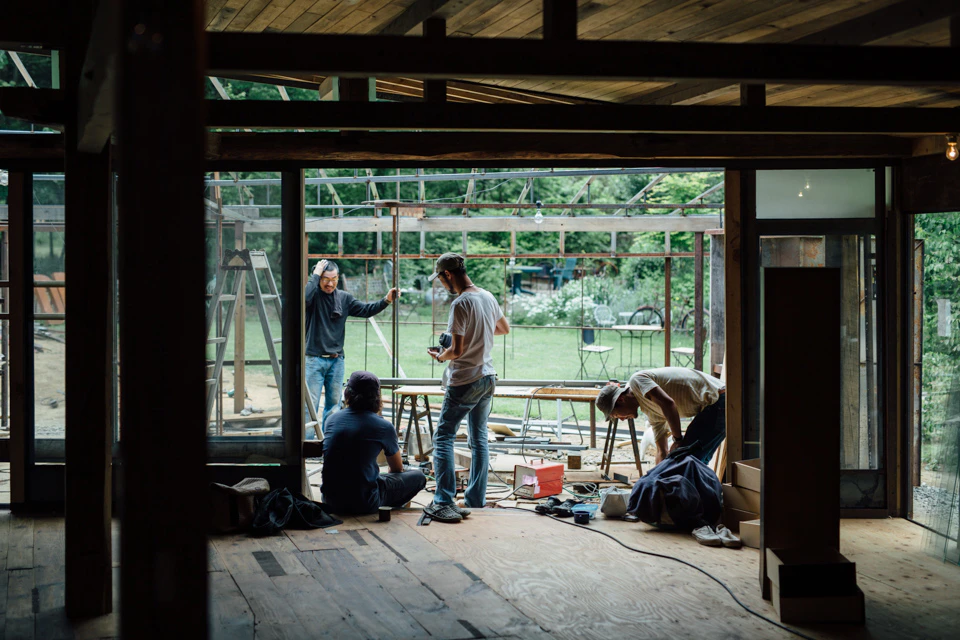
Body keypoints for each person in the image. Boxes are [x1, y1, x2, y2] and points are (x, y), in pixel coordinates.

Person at [422, 253, 510, 523]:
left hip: (466, 379)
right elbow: (503, 328)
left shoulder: (461, 303)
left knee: (443, 437)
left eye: (440, 279)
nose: (441, 284)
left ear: (448, 274)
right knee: (479, 438)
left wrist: (440, 355)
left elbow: (457, 351)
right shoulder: (487, 296)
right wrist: (476, 333)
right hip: (487, 376)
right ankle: (475, 500)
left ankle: (444, 500)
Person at [304, 259, 398, 435]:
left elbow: (366, 310)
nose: (330, 283)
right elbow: (302, 299)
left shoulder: (343, 298)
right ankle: (308, 445)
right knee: (309, 407)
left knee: (334, 406)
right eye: (325, 279)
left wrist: (386, 300)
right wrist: (315, 274)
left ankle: (328, 441)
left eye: (334, 278)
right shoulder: (313, 296)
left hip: (336, 361)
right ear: (318, 278)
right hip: (313, 360)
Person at [320, 371, 426, 514]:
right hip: (364, 503)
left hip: (330, 501)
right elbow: (396, 469)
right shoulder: (383, 426)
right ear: (377, 397)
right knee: (418, 477)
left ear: (347, 394)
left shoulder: (332, 419)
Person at [596, 366, 725, 466]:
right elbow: (662, 451)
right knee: (690, 460)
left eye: (618, 415)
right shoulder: (650, 411)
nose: (623, 419)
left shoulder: (637, 381)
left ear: (620, 399)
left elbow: (668, 404)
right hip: (713, 406)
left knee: (687, 458)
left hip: (719, 399)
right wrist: (657, 475)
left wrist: (678, 440)